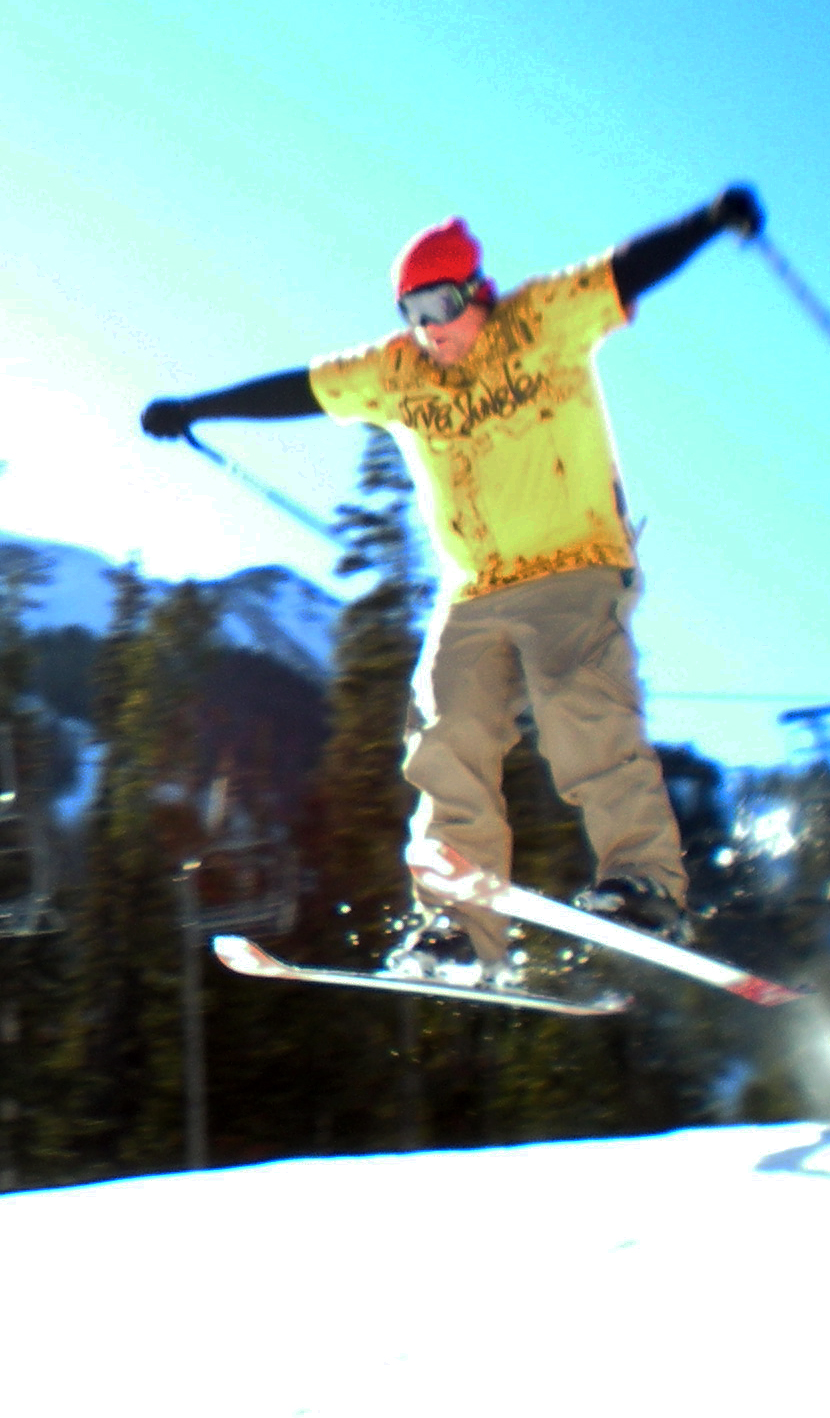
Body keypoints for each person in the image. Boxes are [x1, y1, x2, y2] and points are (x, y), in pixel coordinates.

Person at [140, 187, 762, 981]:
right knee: (445, 732)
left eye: (439, 303)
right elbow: (302, 388)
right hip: (475, 586)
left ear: (475, 289)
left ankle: (645, 882)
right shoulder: (398, 372)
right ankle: (459, 928)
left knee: (580, 707)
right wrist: (199, 408)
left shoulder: (541, 321)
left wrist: (710, 221)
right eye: (412, 311)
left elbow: (628, 270)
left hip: (574, 563)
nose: (428, 328)